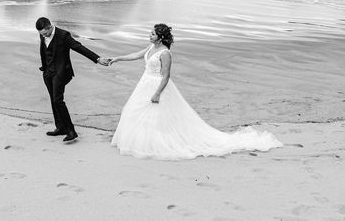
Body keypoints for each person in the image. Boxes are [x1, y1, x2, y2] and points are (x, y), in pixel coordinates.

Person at [108, 23, 282, 159]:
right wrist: (117, 58)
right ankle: (141, 142)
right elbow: (137, 55)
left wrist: (157, 93)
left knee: (158, 116)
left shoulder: (165, 53)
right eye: (151, 33)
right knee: (137, 112)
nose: (149, 35)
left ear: (160, 38)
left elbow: (166, 76)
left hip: (156, 85)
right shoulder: (150, 48)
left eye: (152, 33)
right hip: (144, 82)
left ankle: (154, 144)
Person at [36, 17, 110, 142]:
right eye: (41, 34)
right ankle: (60, 128)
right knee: (53, 101)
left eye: (45, 33)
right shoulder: (42, 35)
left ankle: (71, 131)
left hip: (60, 73)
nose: (43, 36)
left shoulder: (63, 35)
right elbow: (44, 52)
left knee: (58, 100)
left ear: (49, 27)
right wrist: (44, 68)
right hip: (48, 73)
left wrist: (97, 59)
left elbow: (79, 47)